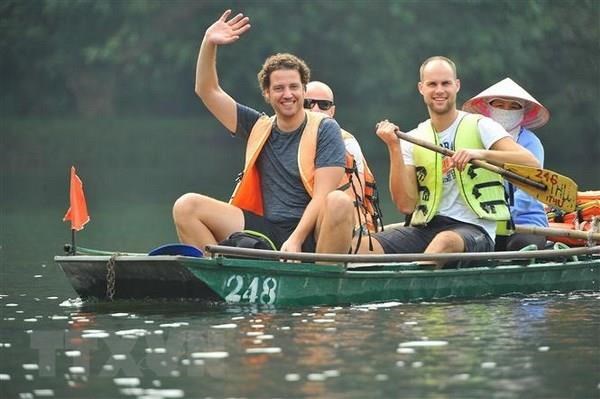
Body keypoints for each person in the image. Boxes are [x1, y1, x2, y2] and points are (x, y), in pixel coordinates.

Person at [172, 10, 354, 254]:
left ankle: (322, 281)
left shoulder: (325, 128)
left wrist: (296, 240)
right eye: (278, 88)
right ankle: (221, 277)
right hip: (266, 229)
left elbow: (323, 196)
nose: (287, 94)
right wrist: (208, 43)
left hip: (311, 232)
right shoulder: (258, 125)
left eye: (294, 87)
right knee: (186, 207)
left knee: (339, 202)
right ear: (267, 94)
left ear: (303, 90)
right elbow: (207, 90)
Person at [356, 56, 540, 268]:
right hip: (426, 228)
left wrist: (480, 154)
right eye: (432, 84)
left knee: (445, 241)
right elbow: (405, 204)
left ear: (457, 85)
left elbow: (531, 163)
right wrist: (393, 147)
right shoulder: (412, 139)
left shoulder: (482, 126)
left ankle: (413, 288)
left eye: (446, 83)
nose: (439, 90)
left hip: (476, 230)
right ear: (421, 88)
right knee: (361, 245)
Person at [463, 77, 550, 250]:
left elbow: (529, 191)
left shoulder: (530, 143)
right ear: (489, 108)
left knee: (519, 247)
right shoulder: (476, 141)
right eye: (499, 105)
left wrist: (503, 215)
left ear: (522, 112)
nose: (505, 110)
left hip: (525, 221)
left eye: (513, 106)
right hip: (485, 221)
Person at [304, 81, 383, 236]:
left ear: (332, 111)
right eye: (308, 103)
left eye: (324, 105)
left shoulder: (347, 144)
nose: (315, 109)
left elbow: (352, 198)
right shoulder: (289, 140)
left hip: (341, 228)